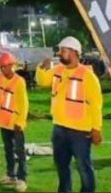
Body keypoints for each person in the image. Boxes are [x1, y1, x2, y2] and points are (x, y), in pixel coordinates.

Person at [36, 37, 103, 193]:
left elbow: (96, 104)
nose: (59, 54)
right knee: (61, 167)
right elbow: (42, 81)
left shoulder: (87, 75)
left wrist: (96, 128)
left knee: (84, 168)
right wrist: (41, 69)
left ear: (75, 52)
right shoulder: (58, 70)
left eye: (63, 50)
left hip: (80, 131)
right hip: (59, 128)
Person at [0, 52, 28, 193]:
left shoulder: (19, 82)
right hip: (3, 120)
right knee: (8, 149)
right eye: (1, 67)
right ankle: (10, 175)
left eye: (5, 67)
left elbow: (24, 104)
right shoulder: (0, 78)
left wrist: (20, 122)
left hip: (15, 122)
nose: (2, 70)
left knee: (19, 151)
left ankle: (22, 178)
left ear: (12, 66)